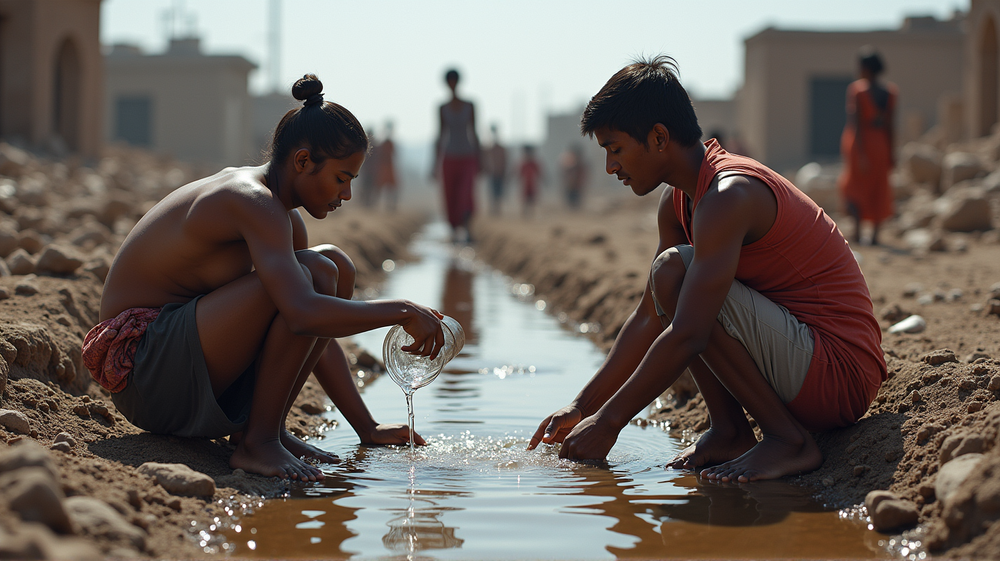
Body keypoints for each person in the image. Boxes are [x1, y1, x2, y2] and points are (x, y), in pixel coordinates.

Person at [527, 56, 886, 483]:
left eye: (616, 149)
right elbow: (649, 315)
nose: (610, 167)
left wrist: (609, 423)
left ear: (659, 137)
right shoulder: (678, 200)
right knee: (673, 281)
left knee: (675, 274)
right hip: (798, 360)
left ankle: (788, 441)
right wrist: (582, 407)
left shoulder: (729, 194)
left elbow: (690, 332)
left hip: (838, 375)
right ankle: (730, 431)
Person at [82, 74, 445, 482]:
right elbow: (302, 313)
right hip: (142, 371)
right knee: (319, 271)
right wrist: (401, 310)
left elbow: (313, 335)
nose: (346, 195)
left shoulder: (283, 215)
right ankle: (258, 442)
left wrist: (367, 427)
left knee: (333, 265)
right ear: (303, 161)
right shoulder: (251, 200)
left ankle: (264, 433)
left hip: (182, 361)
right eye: (342, 179)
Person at [838, 46, 897, 246]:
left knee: (854, 186)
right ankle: (874, 236)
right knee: (879, 186)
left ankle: (857, 232)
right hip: (881, 143)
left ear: (866, 68)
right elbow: (890, 126)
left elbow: (857, 124)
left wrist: (861, 153)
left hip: (860, 143)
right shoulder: (889, 92)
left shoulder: (857, 90)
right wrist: (891, 151)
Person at [434, 68, 480, 243]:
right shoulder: (442, 108)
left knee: (466, 194)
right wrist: (435, 162)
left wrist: (480, 158)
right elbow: (440, 134)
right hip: (449, 156)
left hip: (468, 155)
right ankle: (454, 231)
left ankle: (468, 229)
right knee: (450, 195)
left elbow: (475, 132)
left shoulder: (470, 106)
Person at [482, 124, 508, 216]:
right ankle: (493, 210)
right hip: (492, 173)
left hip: (499, 173)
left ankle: (497, 209)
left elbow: (504, 160)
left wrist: (504, 172)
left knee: (498, 193)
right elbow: (485, 159)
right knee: (492, 193)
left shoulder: (500, 149)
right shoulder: (489, 148)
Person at [374, 121, 399, 212]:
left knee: (392, 188)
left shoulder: (388, 143)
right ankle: (376, 205)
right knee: (380, 187)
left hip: (388, 166)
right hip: (384, 166)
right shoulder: (384, 143)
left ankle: (391, 206)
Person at [559, 144, 588, 211]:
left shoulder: (581, 165)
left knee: (576, 201)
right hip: (570, 186)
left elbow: (583, 175)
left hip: (577, 186)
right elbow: (564, 174)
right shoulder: (569, 163)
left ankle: (575, 212)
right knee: (570, 201)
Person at [517, 144, 543, 218]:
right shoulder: (523, 163)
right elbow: (519, 173)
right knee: (525, 200)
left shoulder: (534, 163)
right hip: (525, 185)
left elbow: (539, 172)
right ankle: (524, 214)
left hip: (532, 185)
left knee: (532, 200)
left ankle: (531, 214)